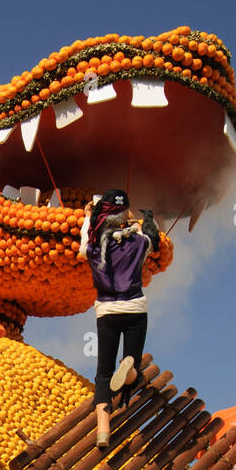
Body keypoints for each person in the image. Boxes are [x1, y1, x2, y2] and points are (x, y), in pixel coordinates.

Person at [78, 189, 163, 448]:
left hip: (107, 312)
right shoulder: (139, 243)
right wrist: (138, 222)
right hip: (136, 309)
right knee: (134, 367)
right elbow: (153, 234)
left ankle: (103, 431)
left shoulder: (96, 245)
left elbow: (84, 244)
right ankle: (129, 372)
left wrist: (89, 217)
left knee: (103, 374)